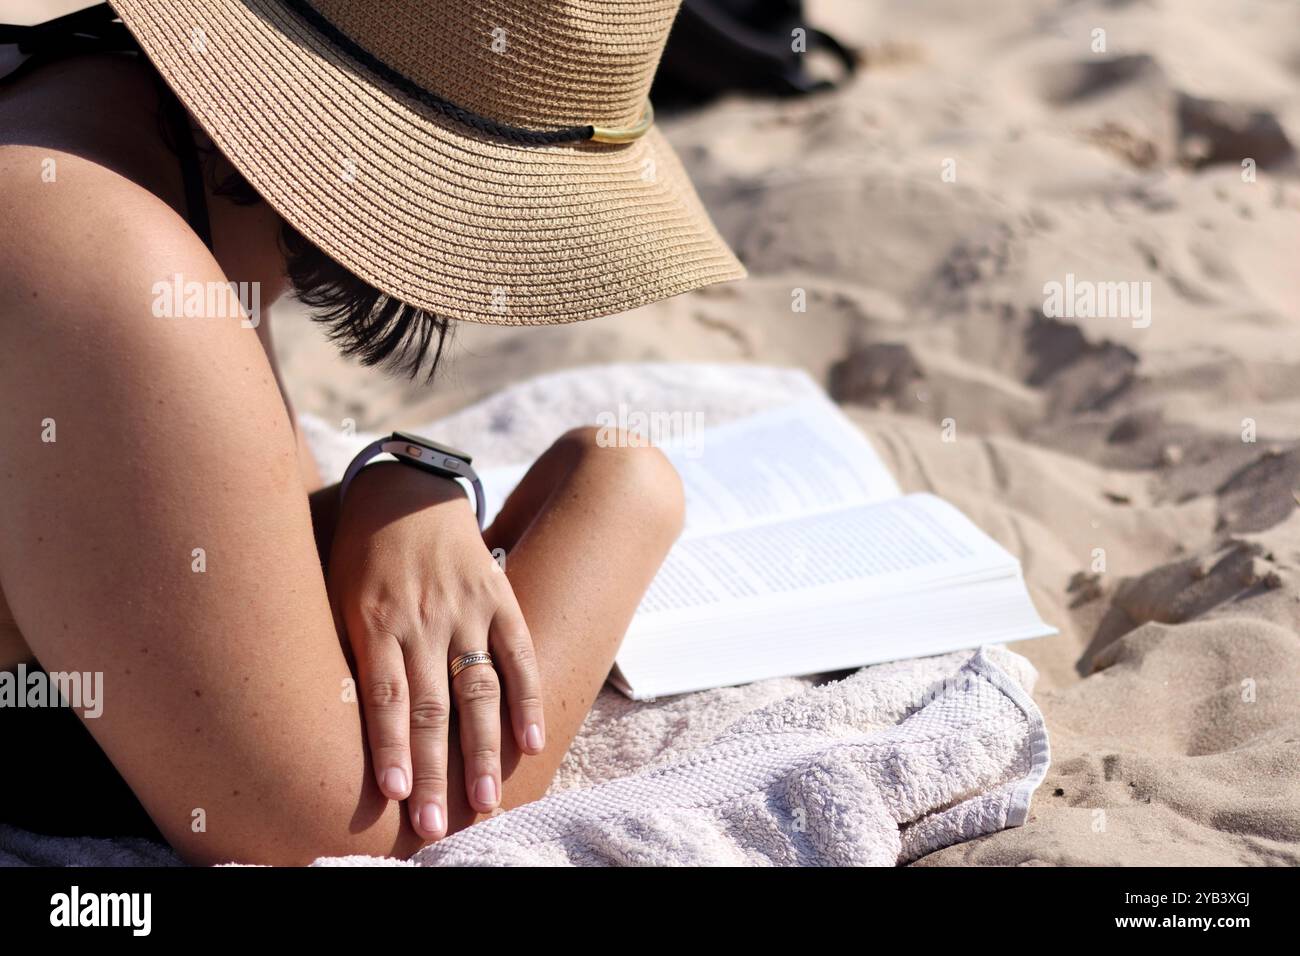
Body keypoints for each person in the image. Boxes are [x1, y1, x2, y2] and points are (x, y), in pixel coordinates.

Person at [0, 0, 744, 865]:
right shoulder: (113, 258)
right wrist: (621, 487)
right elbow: (345, 829)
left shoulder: (118, 124)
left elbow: (199, 542)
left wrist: (400, 485)